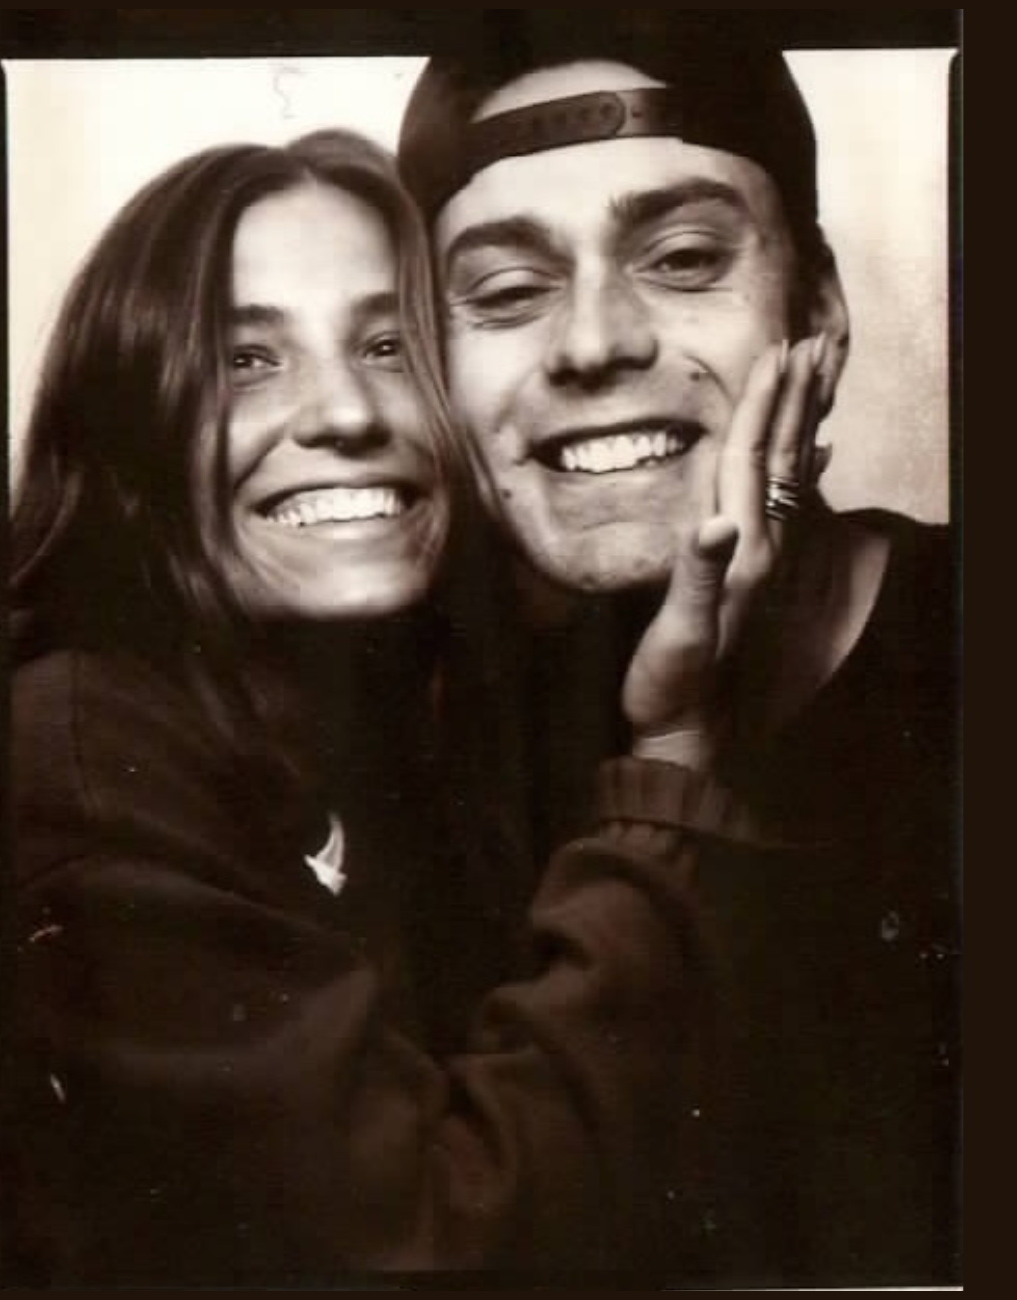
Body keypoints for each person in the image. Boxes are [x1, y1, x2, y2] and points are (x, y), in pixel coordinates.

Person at [0, 124, 820, 1284]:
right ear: (128, 431)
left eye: (389, 346)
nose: (348, 413)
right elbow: (439, 1238)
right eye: (248, 361)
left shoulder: (355, 712)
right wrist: (672, 755)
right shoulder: (77, 754)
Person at [397, 17, 960, 1287]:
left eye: (685, 257)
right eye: (506, 291)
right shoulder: (394, 751)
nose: (594, 341)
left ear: (820, 313)